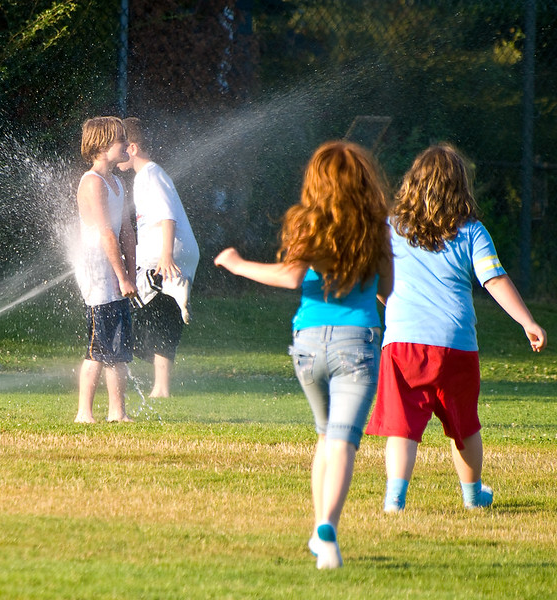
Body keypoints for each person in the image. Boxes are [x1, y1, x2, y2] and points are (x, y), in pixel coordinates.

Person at [214, 141, 393, 570]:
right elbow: (388, 288)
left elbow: (291, 276)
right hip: (358, 344)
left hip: (309, 346)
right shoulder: (376, 225)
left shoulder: (307, 223)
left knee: (324, 436)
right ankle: (327, 528)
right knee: (344, 441)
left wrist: (238, 263)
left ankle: (318, 530)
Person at [365, 143, 547, 512]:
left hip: (402, 346)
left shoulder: (390, 228)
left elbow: (376, 281)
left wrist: (393, 306)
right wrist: (527, 321)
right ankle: (472, 497)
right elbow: (494, 279)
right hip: (455, 345)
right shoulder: (472, 231)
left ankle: (394, 500)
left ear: (412, 183)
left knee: (402, 428)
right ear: (460, 187)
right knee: (464, 427)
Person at [117, 117, 200, 398]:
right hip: (165, 257)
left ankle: (157, 384)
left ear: (132, 148)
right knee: (160, 317)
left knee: (132, 309)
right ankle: (161, 388)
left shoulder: (150, 175)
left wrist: (166, 255)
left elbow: (167, 215)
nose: (114, 154)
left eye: (118, 146)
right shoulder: (148, 175)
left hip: (165, 257)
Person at [73, 116, 138, 423]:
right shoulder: (92, 183)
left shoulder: (117, 182)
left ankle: (117, 412)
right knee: (98, 346)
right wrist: (121, 275)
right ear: (101, 146)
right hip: (99, 273)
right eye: (120, 140)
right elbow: (106, 234)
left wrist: (132, 274)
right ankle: (84, 413)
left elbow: (126, 231)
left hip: (116, 272)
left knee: (119, 347)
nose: (126, 144)